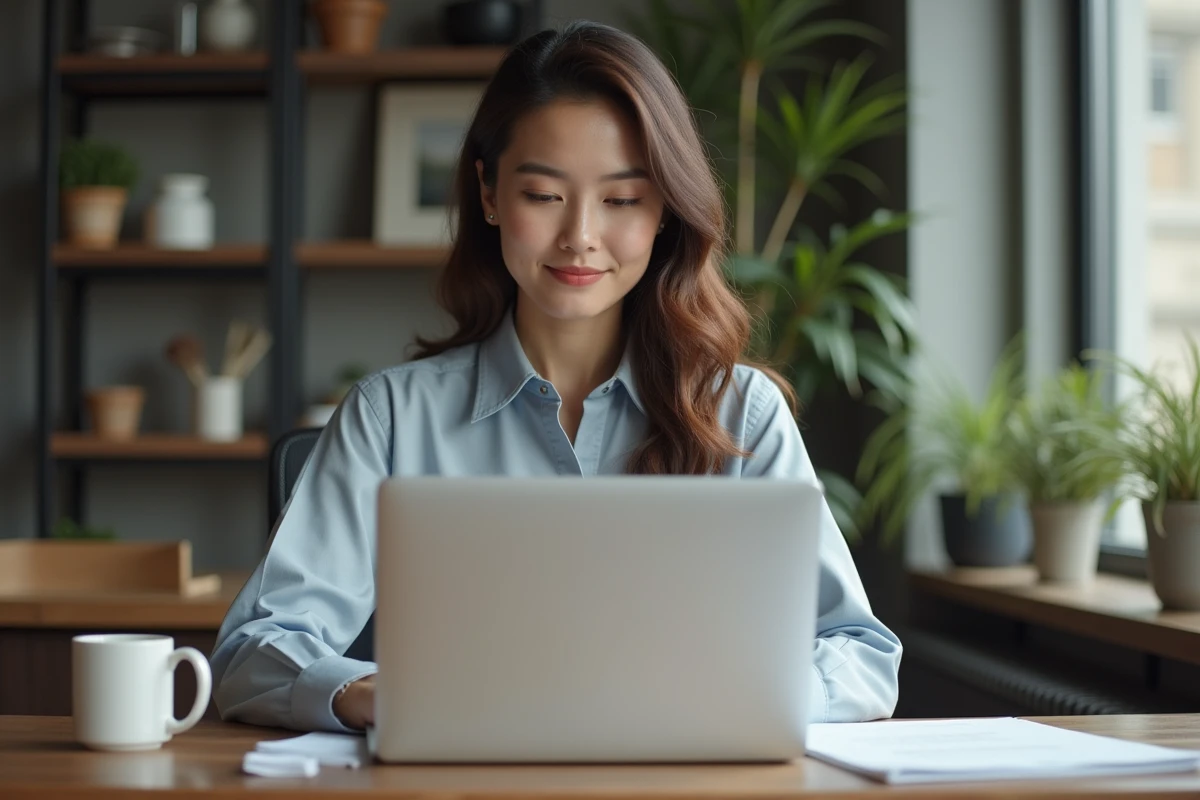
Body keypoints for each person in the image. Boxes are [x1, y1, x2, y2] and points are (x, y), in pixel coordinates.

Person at [211, 20, 902, 733]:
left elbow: (858, 653)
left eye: (623, 200)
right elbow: (250, 654)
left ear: (665, 209)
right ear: (488, 194)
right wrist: (373, 694)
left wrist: (748, 703)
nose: (580, 235)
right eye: (543, 195)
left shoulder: (740, 414)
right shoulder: (389, 420)